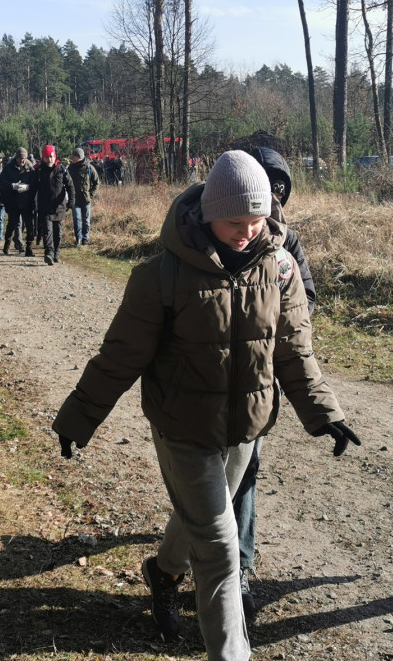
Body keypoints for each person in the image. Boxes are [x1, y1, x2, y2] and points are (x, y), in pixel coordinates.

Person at [52, 150, 360, 659]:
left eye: (257, 220)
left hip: (246, 425)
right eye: (234, 221)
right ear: (208, 212)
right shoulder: (161, 276)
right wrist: (79, 416)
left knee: (203, 515)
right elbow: (119, 356)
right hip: (183, 427)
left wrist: (326, 413)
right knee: (220, 548)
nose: (247, 232)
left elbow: (293, 351)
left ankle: (163, 571)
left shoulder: (281, 268)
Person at [231, 144, 318, 617]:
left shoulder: (289, 244)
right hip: (199, 384)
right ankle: (183, 556)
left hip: (257, 380)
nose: (274, 194)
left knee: (245, 471)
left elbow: (306, 299)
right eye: (267, 184)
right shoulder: (209, 231)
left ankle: (238, 567)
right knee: (207, 475)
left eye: (281, 186)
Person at [35, 145, 74, 266]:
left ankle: (56, 253)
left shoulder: (62, 169)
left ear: (55, 156)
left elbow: (70, 186)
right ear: (43, 158)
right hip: (44, 206)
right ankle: (49, 253)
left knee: (58, 232)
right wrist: (32, 203)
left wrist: (71, 201)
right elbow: (33, 188)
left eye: (52, 156)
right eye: (47, 157)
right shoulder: (39, 170)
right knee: (47, 231)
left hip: (59, 206)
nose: (50, 159)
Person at [0, 148, 36, 256]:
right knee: (12, 224)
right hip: (13, 201)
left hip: (26, 202)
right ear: (16, 157)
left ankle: (29, 248)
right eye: (20, 158)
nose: (22, 160)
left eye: (24, 158)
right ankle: (7, 244)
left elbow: (34, 183)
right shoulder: (8, 168)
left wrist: (28, 187)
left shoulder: (29, 168)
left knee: (30, 225)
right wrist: (12, 186)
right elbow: (2, 182)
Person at [67, 146, 99, 246]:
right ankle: (78, 239)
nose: (72, 158)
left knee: (86, 220)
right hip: (75, 199)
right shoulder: (70, 168)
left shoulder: (89, 167)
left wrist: (91, 194)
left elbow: (97, 182)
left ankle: (85, 239)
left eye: (73, 156)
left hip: (86, 199)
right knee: (77, 219)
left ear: (78, 157)